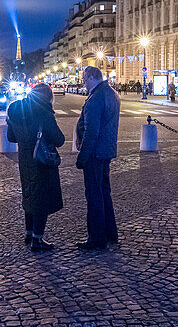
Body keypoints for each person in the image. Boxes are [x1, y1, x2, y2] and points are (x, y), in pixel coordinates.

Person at [6, 82, 66, 252]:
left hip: (24, 160)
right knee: (42, 199)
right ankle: (38, 240)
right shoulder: (44, 113)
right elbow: (59, 139)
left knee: (29, 194)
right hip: (41, 160)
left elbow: (11, 137)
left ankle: (29, 232)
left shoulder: (16, 109)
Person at [75, 66, 120, 251]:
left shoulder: (95, 98)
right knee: (104, 193)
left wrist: (82, 157)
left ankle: (96, 238)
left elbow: (91, 132)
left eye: (85, 79)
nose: (83, 82)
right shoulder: (111, 93)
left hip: (95, 153)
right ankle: (110, 233)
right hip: (106, 150)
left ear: (92, 77)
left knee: (94, 196)